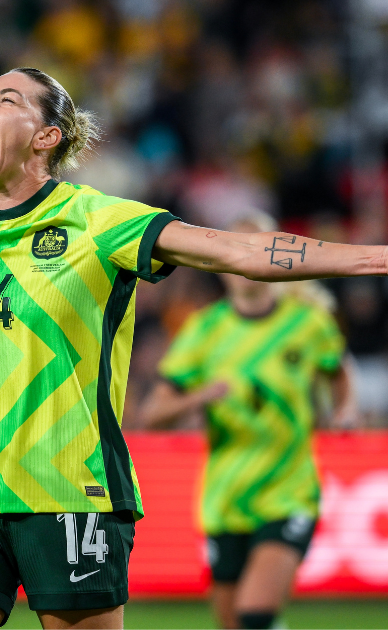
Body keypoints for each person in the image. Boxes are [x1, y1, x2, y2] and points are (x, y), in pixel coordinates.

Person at [0, 67, 388, 630]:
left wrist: (377, 257)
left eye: (8, 100)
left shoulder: (101, 222)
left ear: (48, 136)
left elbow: (238, 251)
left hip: (70, 492)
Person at [138, 213, 358, 630]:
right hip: (225, 497)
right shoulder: (204, 331)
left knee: (255, 614)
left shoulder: (308, 322)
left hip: (287, 490)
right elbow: (152, 416)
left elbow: (340, 370)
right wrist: (200, 396)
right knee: (233, 624)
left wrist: (345, 409)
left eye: (258, 251)